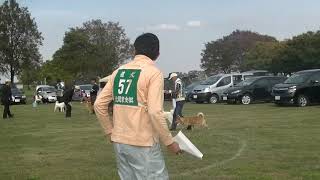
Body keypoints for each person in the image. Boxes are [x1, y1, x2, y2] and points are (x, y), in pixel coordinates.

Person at [95, 33, 181, 180]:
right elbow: (155, 112)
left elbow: (98, 104)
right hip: (143, 143)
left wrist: (110, 131)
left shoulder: (118, 72)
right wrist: (169, 142)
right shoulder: (153, 73)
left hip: (120, 142)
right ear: (157, 54)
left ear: (134, 51)